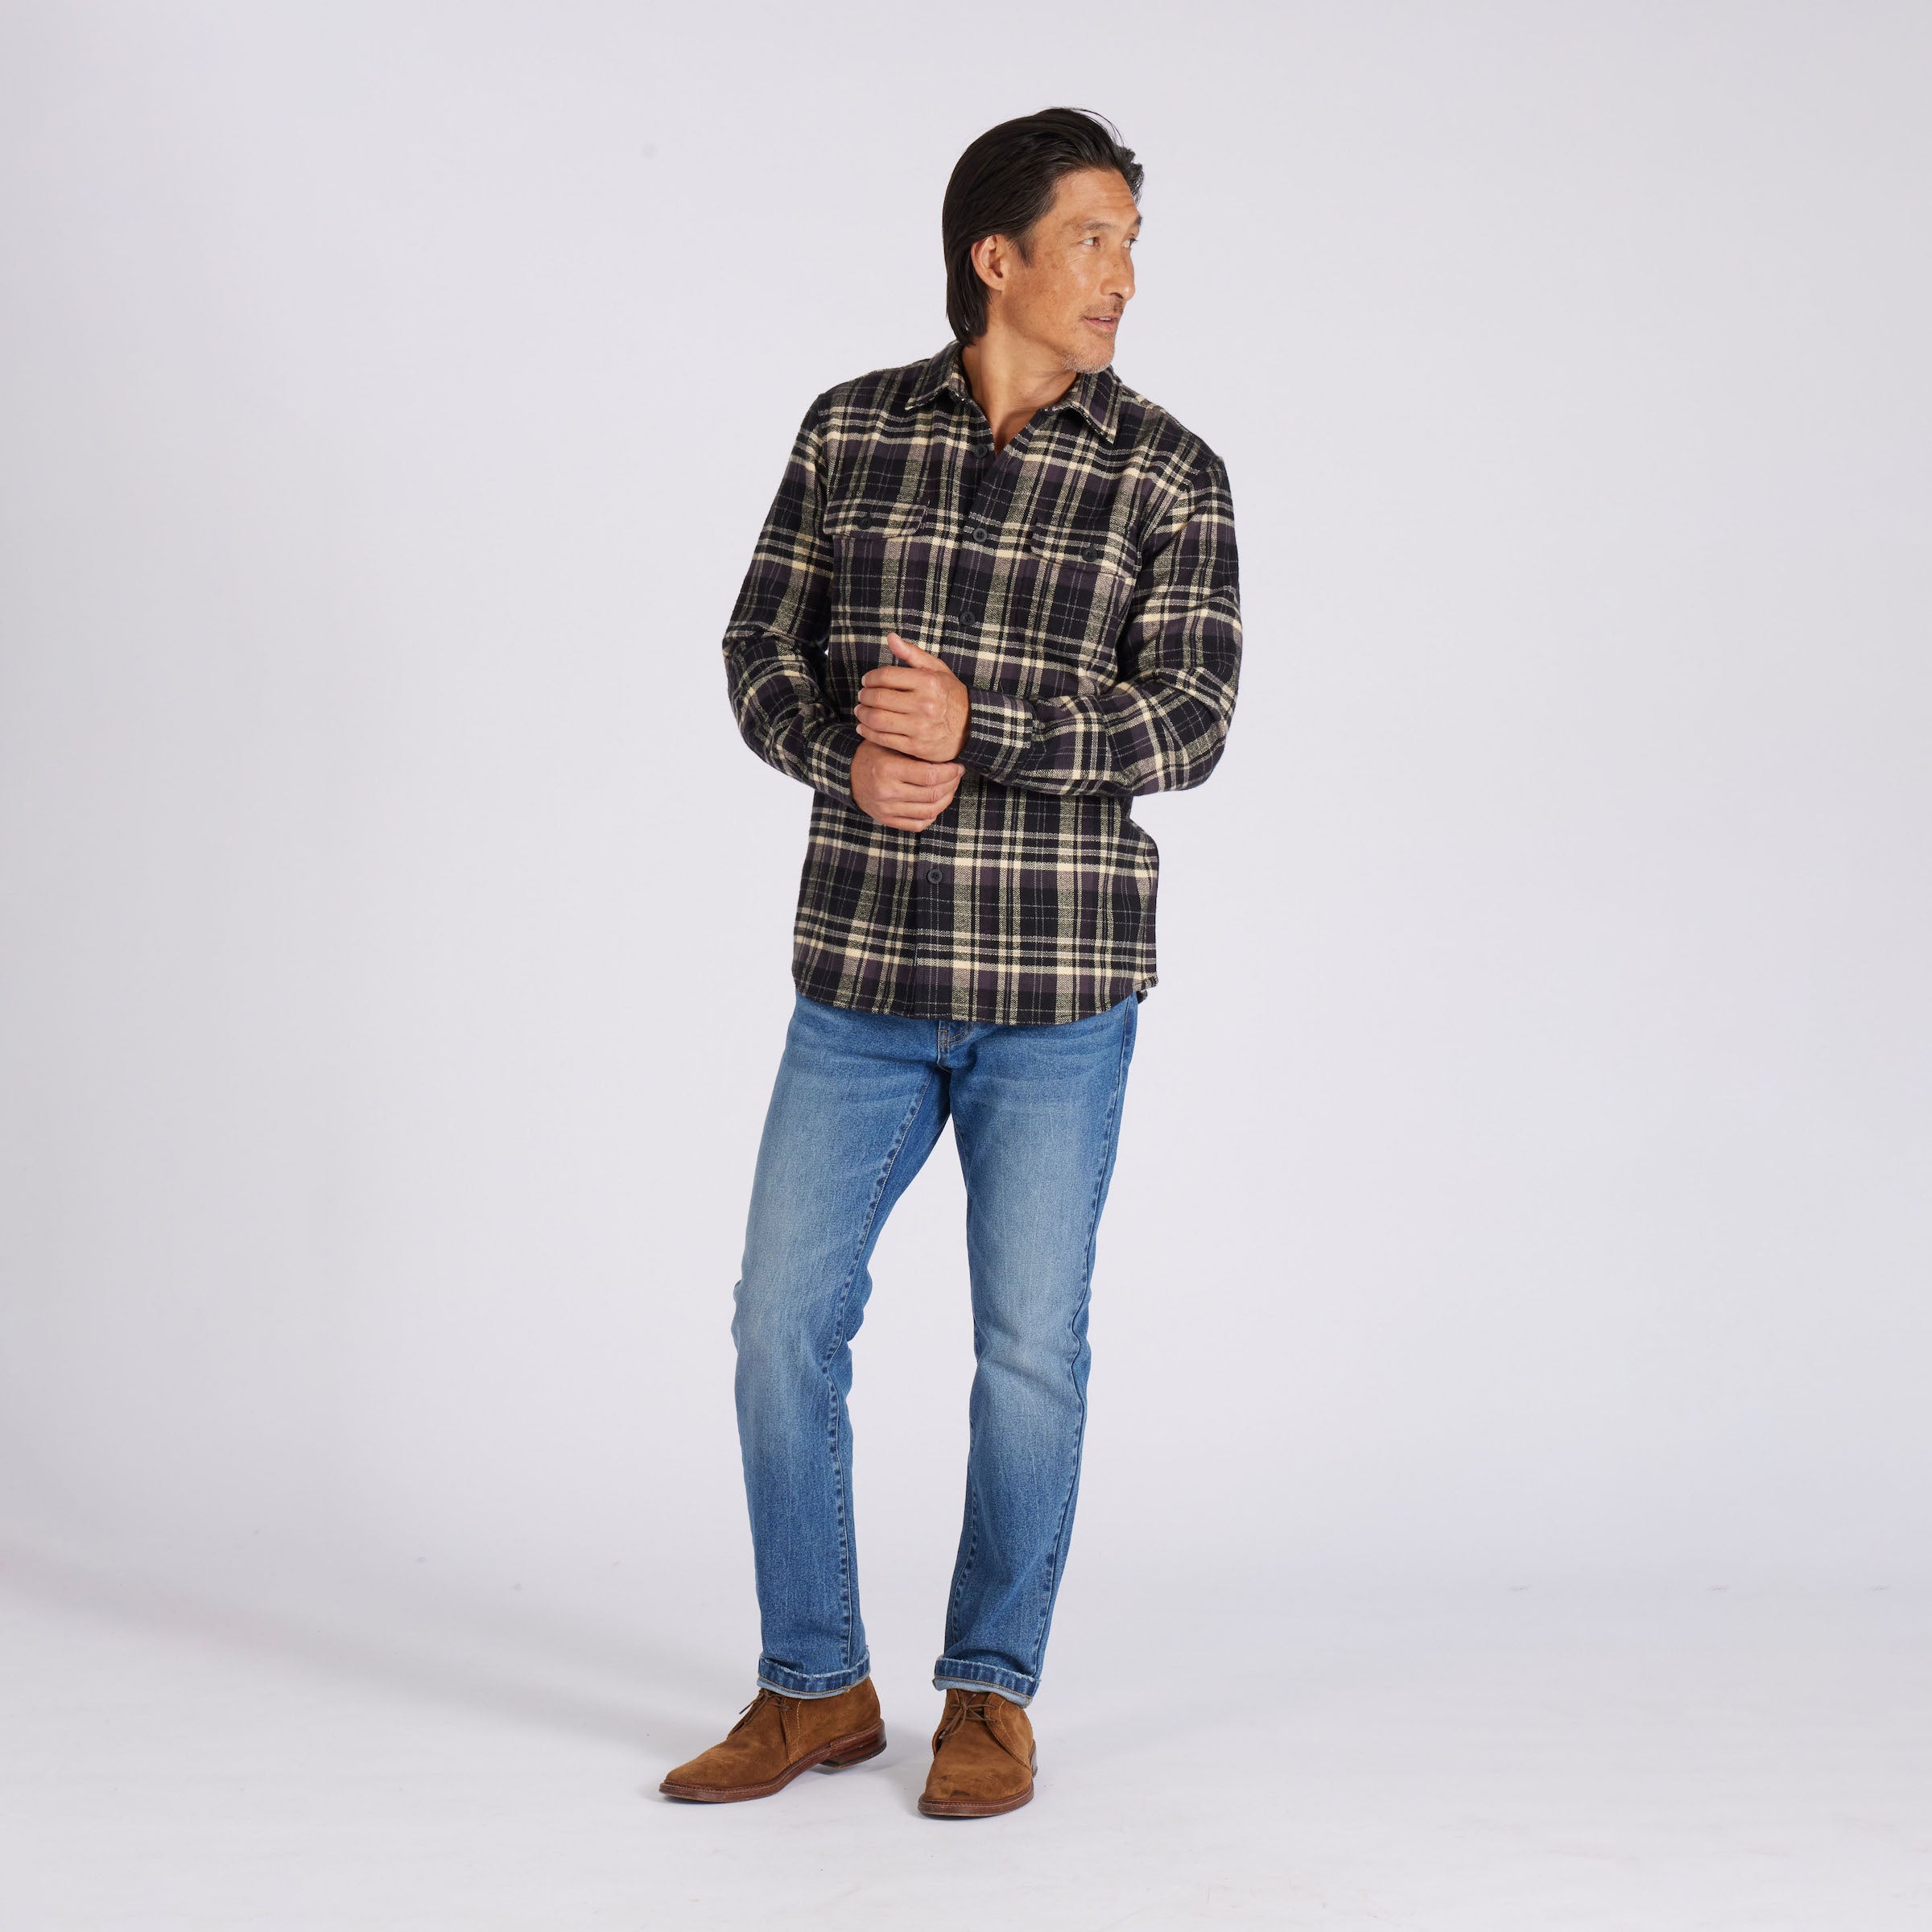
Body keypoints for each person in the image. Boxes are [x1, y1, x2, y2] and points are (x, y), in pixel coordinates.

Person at [660, 107, 1241, 1819]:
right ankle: (814, 1686)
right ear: (997, 258)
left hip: (1059, 994)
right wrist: (842, 753)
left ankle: (991, 1693)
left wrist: (985, 730)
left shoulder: (1171, 472)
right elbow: (759, 646)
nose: (1122, 277)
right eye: (1092, 240)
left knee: (1030, 1350)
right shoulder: (850, 430)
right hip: (860, 977)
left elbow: (1193, 718)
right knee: (781, 1323)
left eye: (1131, 244)